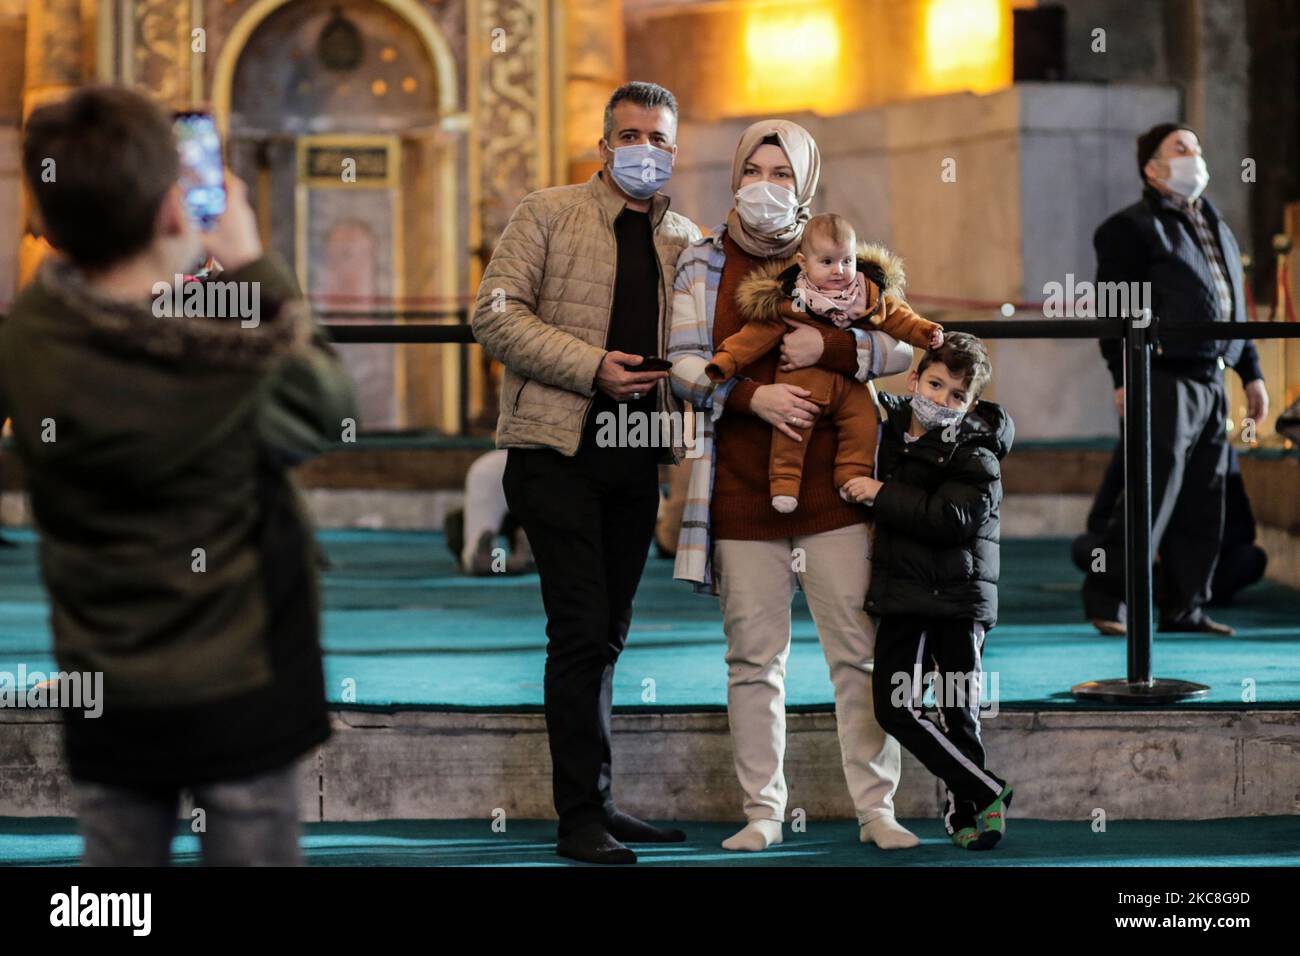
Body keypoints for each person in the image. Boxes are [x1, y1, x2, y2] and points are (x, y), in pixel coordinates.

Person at [0, 86, 357, 865]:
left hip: (105, 679)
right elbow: (328, 405)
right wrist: (255, 265)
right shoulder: (233, 369)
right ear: (174, 209)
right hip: (244, 681)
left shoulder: (30, 337)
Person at [669, 119, 919, 853]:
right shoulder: (699, 263)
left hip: (838, 494)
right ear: (736, 177)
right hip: (743, 491)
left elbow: (903, 343)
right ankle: (763, 812)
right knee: (754, 660)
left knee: (859, 654)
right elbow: (684, 366)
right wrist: (754, 398)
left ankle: (877, 810)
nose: (767, 187)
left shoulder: (848, 258)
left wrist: (832, 346)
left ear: (806, 186)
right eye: (755, 170)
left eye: (783, 175)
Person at [471, 81, 702, 865]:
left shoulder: (688, 239)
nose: (645, 149)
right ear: (605, 144)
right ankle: (578, 821)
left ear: (675, 149)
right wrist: (589, 368)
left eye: (659, 138)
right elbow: (494, 313)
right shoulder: (547, 212)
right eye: (630, 134)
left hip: (637, 460)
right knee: (577, 632)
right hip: (555, 453)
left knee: (608, 636)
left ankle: (599, 802)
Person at [1083, 123, 1268, 636]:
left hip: (1213, 378)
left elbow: (1233, 305)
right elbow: (1114, 313)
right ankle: (1108, 599)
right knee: (1150, 493)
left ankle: (1184, 605)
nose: (1196, 158)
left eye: (1197, 149)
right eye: (1181, 150)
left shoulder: (1216, 224)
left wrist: (1250, 373)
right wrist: (1122, 378)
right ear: (1152, 168)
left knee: (1205, 498)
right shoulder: (1130, 228)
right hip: (1160, 375)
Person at [843, 333, 1015, 850]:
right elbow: (858, 381)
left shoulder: (976, 450)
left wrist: (880, 494)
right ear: (915, 379)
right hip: (906, 595)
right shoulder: (888, 426)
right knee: (896, 707)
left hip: (960, 598)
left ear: (971, 404)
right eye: (934, 384)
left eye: (956, 395)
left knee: (960, 711)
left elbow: (952, 518)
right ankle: (986, 790)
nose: (941, 400)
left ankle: (971, 815)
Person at [714, 212, 942, 512]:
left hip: (852, 383)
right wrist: (727, 360)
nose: (839, 271)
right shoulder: (793, 298)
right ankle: (784, 481)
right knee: (793, 423)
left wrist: (927, 333)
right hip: (804, 381)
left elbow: (900, 318)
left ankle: (853, 475)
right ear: (802, 262)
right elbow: (756, 334)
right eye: (827, 262)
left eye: (847, 261)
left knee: (864, 423)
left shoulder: (867, 293)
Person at [1071, 442, 1267, 623]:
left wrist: (1193, 548)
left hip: (1198, 561)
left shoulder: (1216, 452)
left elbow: (1243, 530)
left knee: (1251, 558)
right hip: (1145, 558)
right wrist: (1147, 544)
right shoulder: (1132, 447)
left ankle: (1154, 592)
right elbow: (1097, 520)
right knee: (1088, 549)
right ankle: (1169, 592)